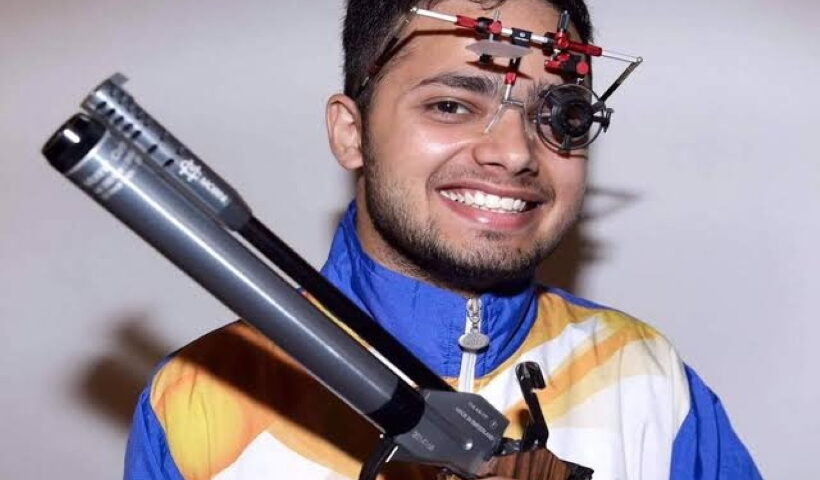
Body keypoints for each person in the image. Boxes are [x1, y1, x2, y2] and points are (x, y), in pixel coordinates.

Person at [125, 0, 762, 479]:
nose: (515, 152)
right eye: (451, 105)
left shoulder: (648, 379)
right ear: (351, 133)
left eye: (562, 117)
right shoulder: (200, 397)